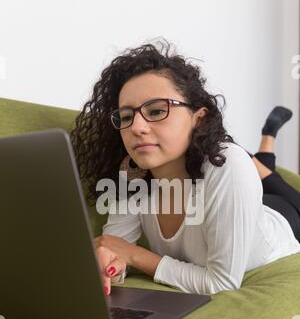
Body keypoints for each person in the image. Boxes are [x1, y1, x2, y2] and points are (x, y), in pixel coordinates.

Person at [70, 39, 300, 296]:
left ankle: (268, 136)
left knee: (269, 180)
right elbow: (116, 249)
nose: (136, 127)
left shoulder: (228, 165)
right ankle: (263, 145)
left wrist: (134, 255)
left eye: (156, 111)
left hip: (284, 218)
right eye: (126, 117)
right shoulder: (131, 173)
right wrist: (111, 264)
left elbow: (221, 283)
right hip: (233, 194)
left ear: (198, 118)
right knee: (246, 165)